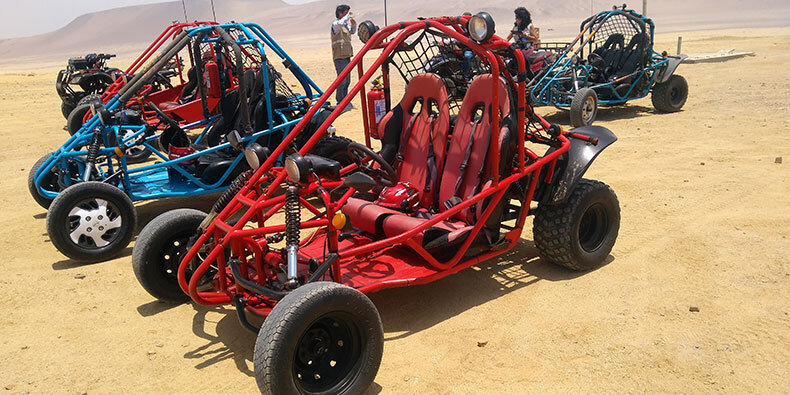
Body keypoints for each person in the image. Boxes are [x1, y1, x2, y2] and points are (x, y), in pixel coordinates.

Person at [331, 4, 356, 112]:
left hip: (346, 56)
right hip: (339, 57)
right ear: (340, 13)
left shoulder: (345, 26)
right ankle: (340, 101)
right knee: (342, 80)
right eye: (345, 12)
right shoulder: (336, 24)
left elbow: (352, 31)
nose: (347, 15)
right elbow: (340, 23)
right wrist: (348, 17)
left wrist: (353, 24)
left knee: (347, 80)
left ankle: (344, 100)